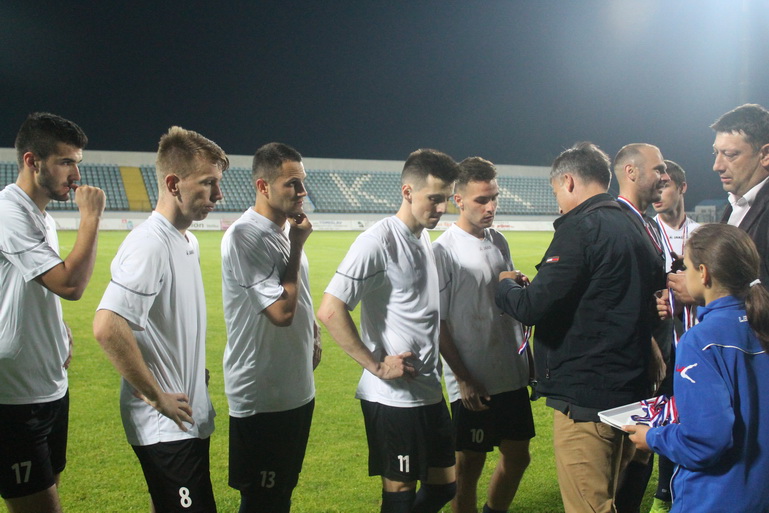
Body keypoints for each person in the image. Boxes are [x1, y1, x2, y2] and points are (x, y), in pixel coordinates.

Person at [495, 142, 663, 513]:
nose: (558, 201)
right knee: (610, 496)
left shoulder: (581, 227)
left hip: (586, 397)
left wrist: (505, 285)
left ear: (569, 181)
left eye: (556, 190)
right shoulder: (637, 224)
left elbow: (532, 306)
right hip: (627, 389)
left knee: (589, 506)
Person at [317, 149, 460, 513]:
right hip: (393, 398)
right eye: (434, 199)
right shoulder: (378, 241)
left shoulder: (421, 237)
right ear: (407, 192)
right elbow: (330, 309)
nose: (442, 208)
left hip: (428, 390)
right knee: (400, 496)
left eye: (445, 199)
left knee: (444, 487)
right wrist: (377, 366)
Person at [93, 126, 227, 513]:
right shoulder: (150, 244)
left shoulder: (186, 239)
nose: (218, 195)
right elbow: (107, 325)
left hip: (186, 416)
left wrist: (191, 369)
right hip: (164, 425)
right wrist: (156, 395)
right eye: (208, 183)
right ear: (173, 184)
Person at [624, 223, 769, 513]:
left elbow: (705, 442)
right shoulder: (760, 325)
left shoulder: (701, 341)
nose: (681, 275)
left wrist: (652, 437)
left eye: (686, 267)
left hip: (716, 498)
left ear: (703, 273)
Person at [0, 113, 105, 513]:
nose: (76, 174)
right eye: (65, 162)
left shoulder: (41, 217)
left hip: (49, 384)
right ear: (32, 161)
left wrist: (57, 328)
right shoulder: (8, 211)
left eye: (77, 162)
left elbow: (25, 288)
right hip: (14, 394)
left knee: (46, 490)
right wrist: (91, 217)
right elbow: (69, 285)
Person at [221, 142, 320, 513]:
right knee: (261, 500)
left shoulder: (285, 230)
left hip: (295, 387)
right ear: (263, 187)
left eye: (303, 182)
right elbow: (281, 312)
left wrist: (314, 333)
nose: (302, 191)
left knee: (280, 494)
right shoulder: (245, 235)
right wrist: (297, 246)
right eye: (292, 184)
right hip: (263, 393)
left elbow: (299, 295)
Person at [432, 157, 533, 513]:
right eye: (481, 200)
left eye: (494, 198)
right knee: (469, 465)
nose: (490, 207)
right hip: (473, 378)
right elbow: (438, 321)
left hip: (509, 370)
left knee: (519, 456)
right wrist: (463, 378)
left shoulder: (499, 240)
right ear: (458, 200)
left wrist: (518, 286)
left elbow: (503, 298)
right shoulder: (443, 249)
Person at [612, 143, 670, 513]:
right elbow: (620, 298)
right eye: (658, 169)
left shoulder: (647, 222)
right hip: (635, 358)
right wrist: (650, 348)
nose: (664, 176)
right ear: (631, 172)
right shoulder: (617, 222)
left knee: (643, 450)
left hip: (657, 355)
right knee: (623, 451)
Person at [669, 103, 769, 302]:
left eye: (730, 155)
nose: (717, 166)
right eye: (716, 153)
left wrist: (703, 290)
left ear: (765, 155)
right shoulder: (736, 204)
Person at [647, 160, 700, 513]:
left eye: (665, 184)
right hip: (660, 344)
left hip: (697, 339)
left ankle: (683, 488)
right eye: (656, 185)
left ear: (682, 187)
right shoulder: (645, 231)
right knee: (662, 416)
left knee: (693, 415)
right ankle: (660, 491)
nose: (658, 192)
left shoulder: (703, 233)